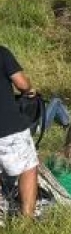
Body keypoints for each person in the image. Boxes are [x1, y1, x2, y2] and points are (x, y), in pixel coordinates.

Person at [0, 45, 39, 217]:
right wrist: (29, 90)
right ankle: (26, 220)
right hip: (7, 126)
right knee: (28, 168)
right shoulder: (2, 53)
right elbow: (22, 83)